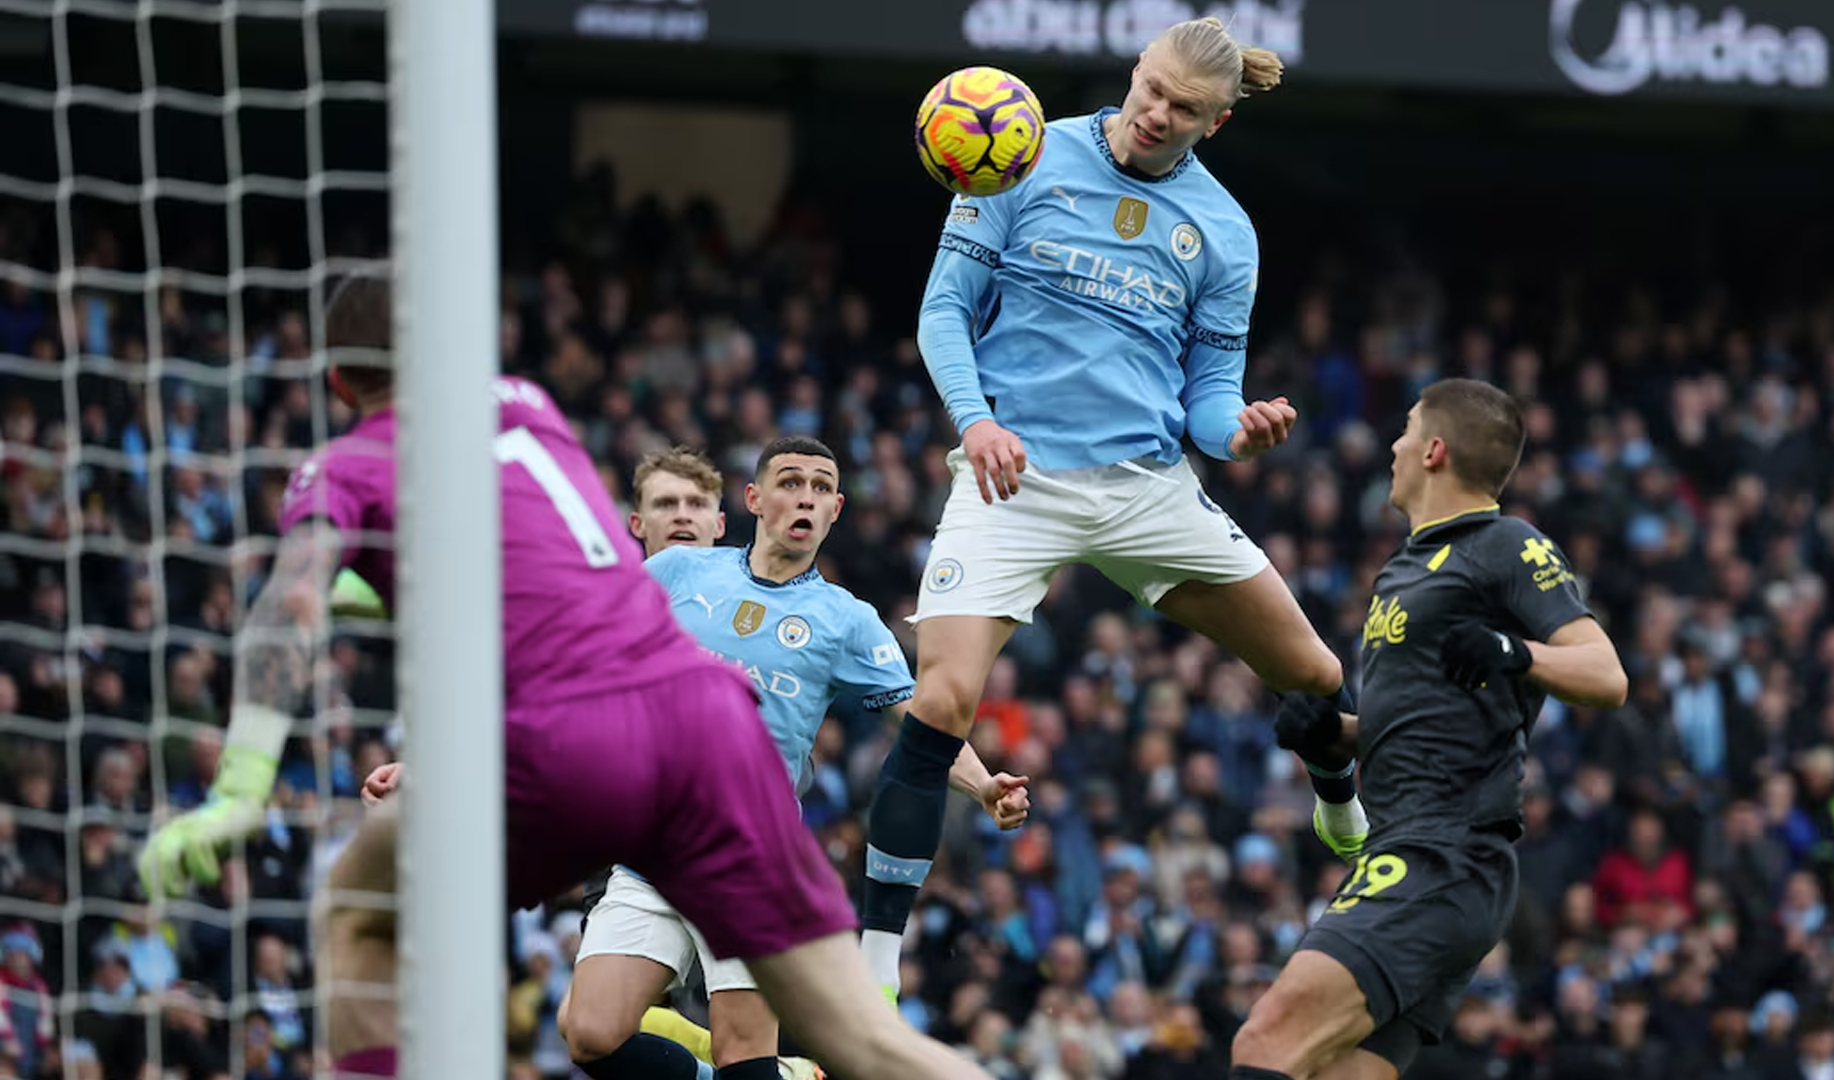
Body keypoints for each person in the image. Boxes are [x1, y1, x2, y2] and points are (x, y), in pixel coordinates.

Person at [134, 269, 1002, 1080]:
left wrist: (240, 790)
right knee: (860, 1042)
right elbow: (544, 584)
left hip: (579, 743)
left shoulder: (348, 466)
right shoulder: (531, 410)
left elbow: (291, 609)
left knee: (358, 910)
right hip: (709, 735)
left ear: (336, 384)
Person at [860, 15, 1357, 999]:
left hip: (1144, 491)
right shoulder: (1021, 155)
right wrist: (974, 422)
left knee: (1315, 669)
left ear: (1213, 125)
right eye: (1150, 90)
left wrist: (1240, 431)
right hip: (1015, 482)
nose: (1155, 114)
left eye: (1182, 108)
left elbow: (1211, 399)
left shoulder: (1222, 232)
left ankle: (1338, 800)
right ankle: (875, 968)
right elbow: (943, 311)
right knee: (942, 699)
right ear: (1134, 74)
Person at [550, 442, 1030, 1080]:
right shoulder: (678, 574)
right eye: (790, 482)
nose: (805, 496)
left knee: (743, 1061)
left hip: (750, 859)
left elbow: (922, 720)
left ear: (835, 511)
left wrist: (983, 785)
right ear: (754, 500)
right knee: (589, 1035)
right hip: (654, 852)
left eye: (820, 487)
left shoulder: (846, 620)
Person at [1234, 378, 1630, 1080]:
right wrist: (1332, 731)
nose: (1394, 444)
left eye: (1407, 429)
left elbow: (1607, 675)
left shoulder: (1506, 544)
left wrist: (1518, 652)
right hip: (1418, 855)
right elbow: (1414, 727)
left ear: (1435, 451)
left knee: (1264, 1045)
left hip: (1442, 854)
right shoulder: (1404, 571)